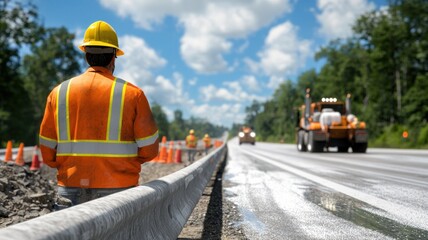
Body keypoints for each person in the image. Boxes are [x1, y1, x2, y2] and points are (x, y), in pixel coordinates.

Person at [39, 20, 159, 209]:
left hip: (70, 187)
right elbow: (149, 149)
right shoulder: (133, 94)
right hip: (119, 188)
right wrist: (126, 164)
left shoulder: (59, 92)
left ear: (86, 55)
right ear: (113, 57)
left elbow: (47, 151)